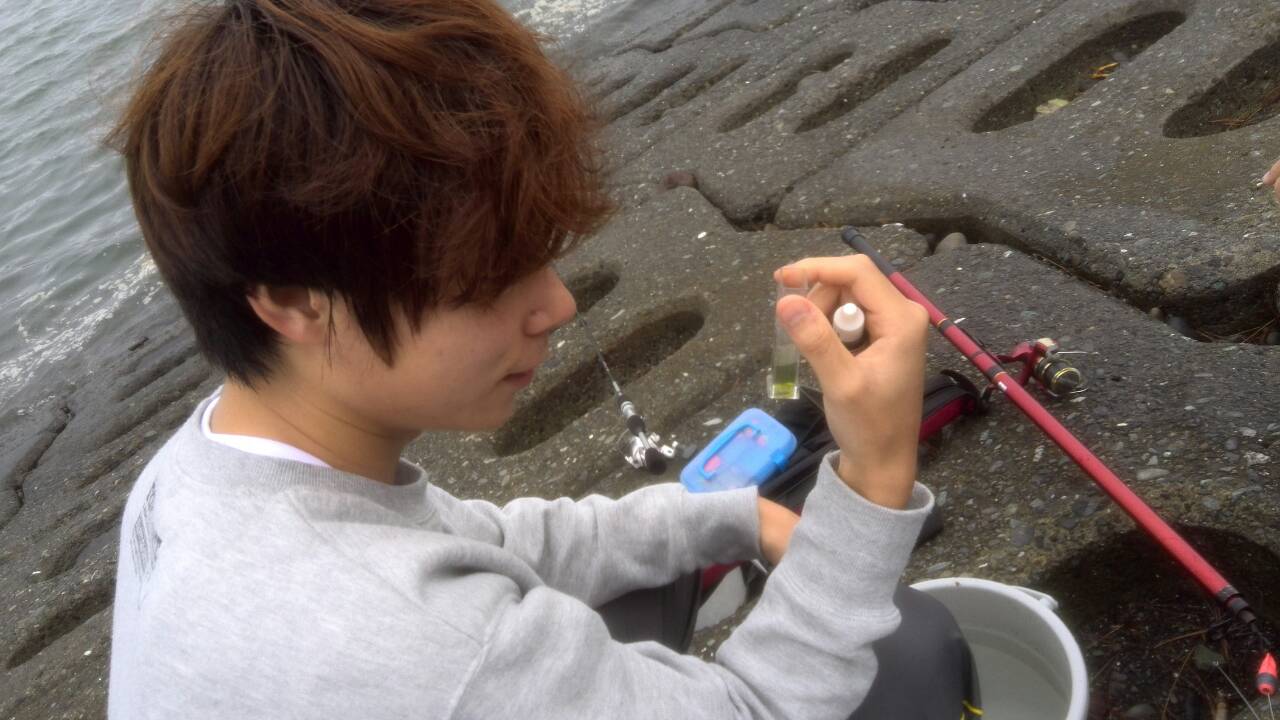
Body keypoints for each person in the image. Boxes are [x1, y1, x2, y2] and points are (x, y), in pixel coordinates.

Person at [105, 0, 956, 717]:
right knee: (916, 658)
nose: (557, 306)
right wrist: (872, 479)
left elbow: (490, 542)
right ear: (294, 302)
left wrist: (735, 517)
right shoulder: (417, 640)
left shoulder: (204, 468)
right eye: (486, 281)